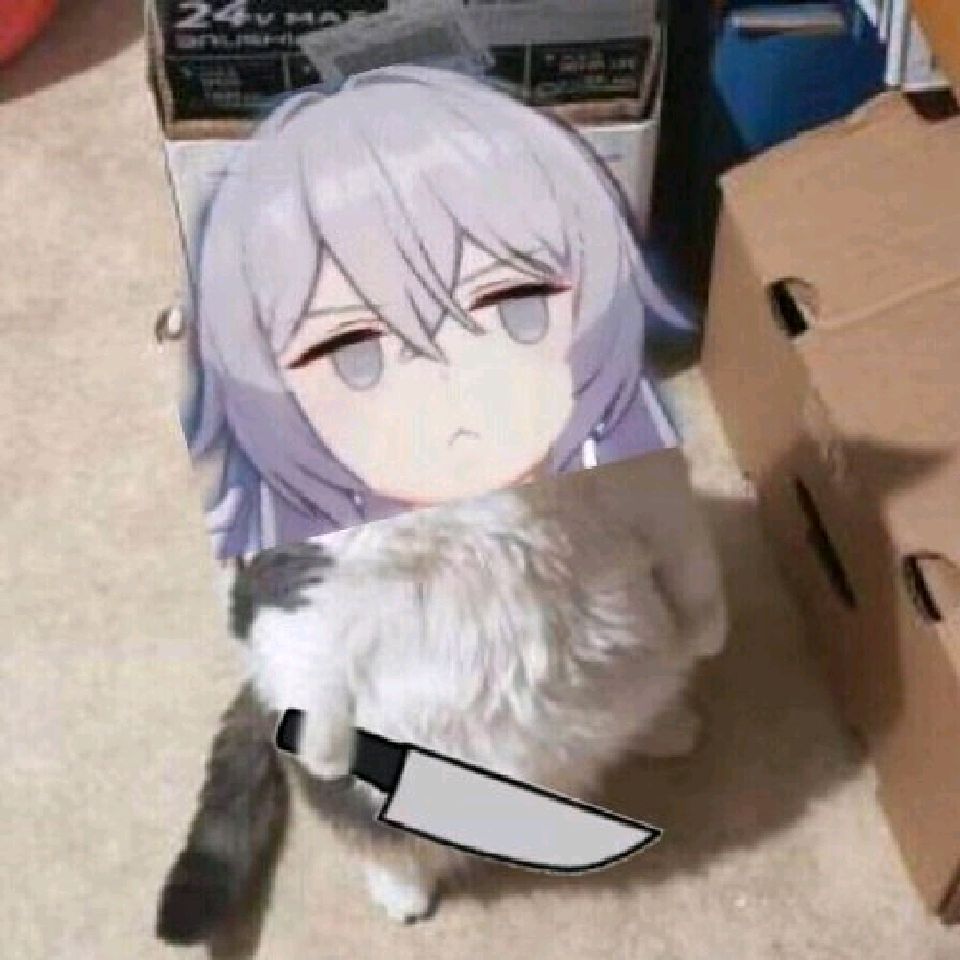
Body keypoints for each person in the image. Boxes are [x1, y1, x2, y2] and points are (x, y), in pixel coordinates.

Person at [185, 64, 684, 560]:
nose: (455, 384)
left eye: (521, 311)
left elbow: (685, 568)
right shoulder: (301, 535)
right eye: (356, 359)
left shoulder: (620, 439)